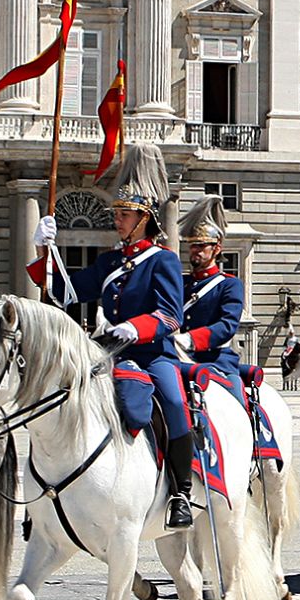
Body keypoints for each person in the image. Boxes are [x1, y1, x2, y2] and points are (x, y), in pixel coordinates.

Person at [30, 143, 194, 530]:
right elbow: (66, 292)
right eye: (117, 213)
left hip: (154, 355)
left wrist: (135, 328)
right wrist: (44, 250)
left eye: (124, 214)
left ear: (144, 219)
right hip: (109, 355)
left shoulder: (162, 260)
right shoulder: (110, 262)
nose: (117, 220)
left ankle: (181, 492)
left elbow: (171, 316)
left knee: (173, 402)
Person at [175, 197, 245, 401]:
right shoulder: (182, 283)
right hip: (180, 357)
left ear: (216, 248)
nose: (194, 250)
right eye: (192, 245)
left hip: (216, 359)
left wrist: (190, 339)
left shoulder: (229, 284)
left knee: (237, 404)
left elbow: (227, 326)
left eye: (201, 246)